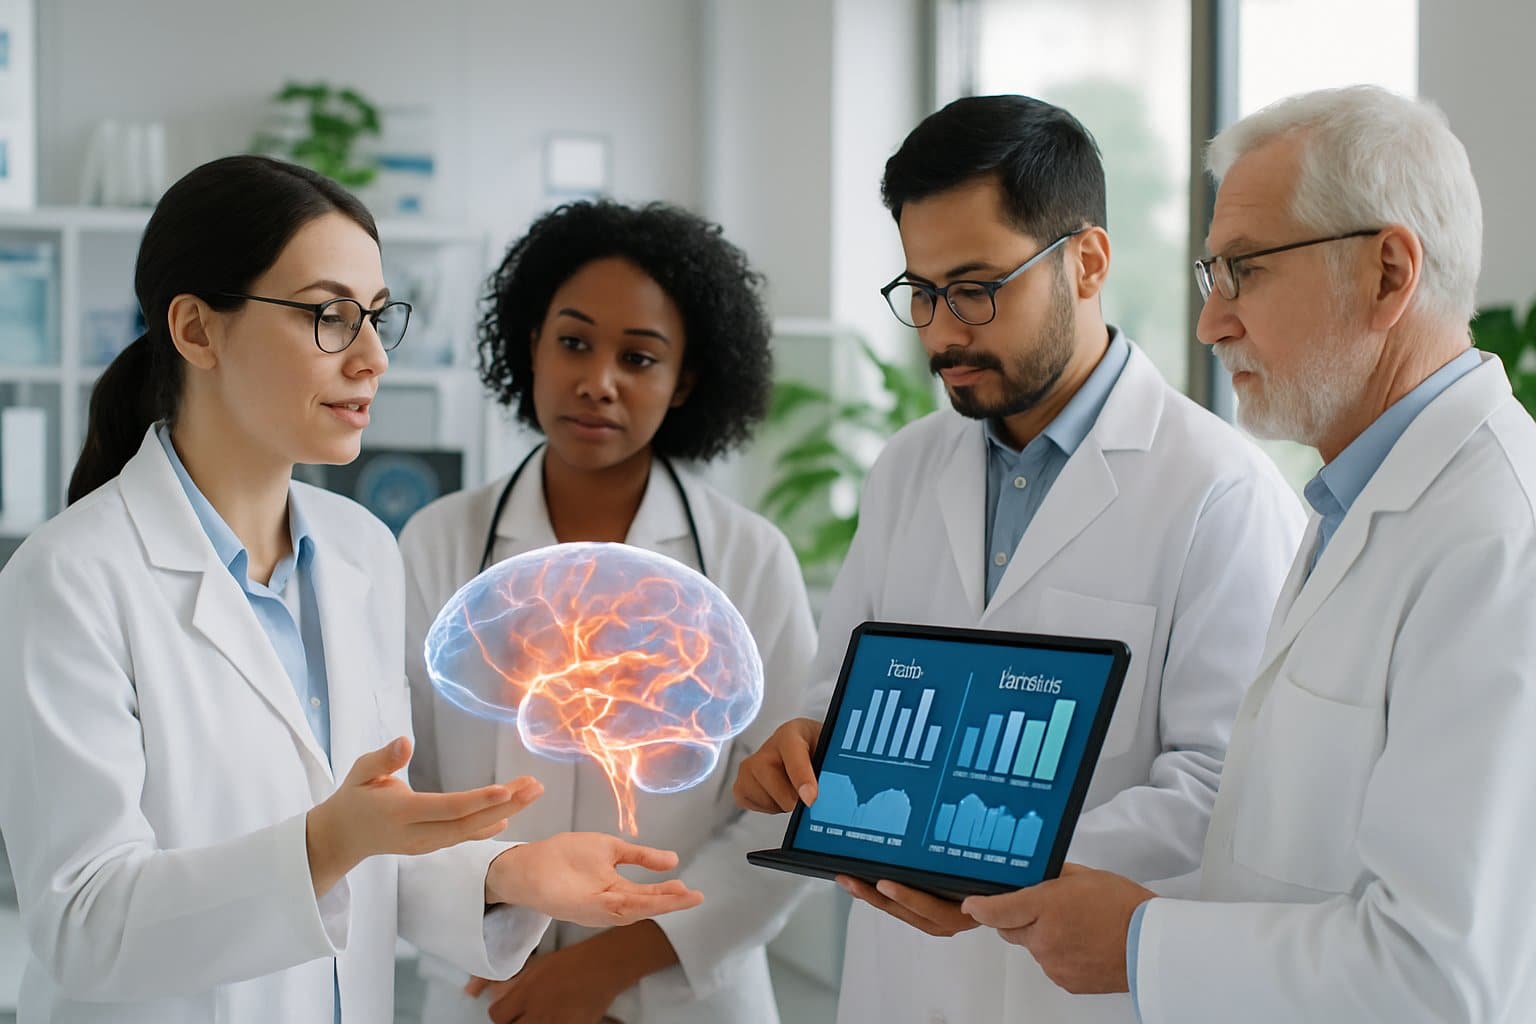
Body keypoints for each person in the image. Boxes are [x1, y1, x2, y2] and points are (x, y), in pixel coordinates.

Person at [0, 156, 703, 1024]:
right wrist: (326, 842)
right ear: (197, 330)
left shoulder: (360, 551)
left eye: (376, 317)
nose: (371, 359)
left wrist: (507, 874)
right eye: (329, 317)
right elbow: (82, 924)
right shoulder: (70, 579)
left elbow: (373, 849)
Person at [957, 84, 1536, 1023]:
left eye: (1245, 271)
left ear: (1389, 274)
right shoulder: (1356, 501)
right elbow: (1294, 868)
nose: (1210, 322)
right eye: (1209, 276)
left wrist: (1141, 944)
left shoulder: (1500, 541)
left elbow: (1441, 976)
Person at [732, 95, 1305, 1024]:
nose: (941, 333)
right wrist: (806, 740)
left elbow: (1223, 789)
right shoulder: (909, 468)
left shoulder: (1219, 492)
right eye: (921, 293)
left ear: (1088, 262)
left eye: (974, 289)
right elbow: (841, 689)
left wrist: (977, 862)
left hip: (1073, 995)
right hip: (898, 985)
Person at [399, 199, 817, 1024]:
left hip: (682, 992)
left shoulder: (748, 558)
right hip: (489, 985)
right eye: (574, 343)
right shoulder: (440, 542)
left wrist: (615, 962)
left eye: (639, 357)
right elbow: (403, 785)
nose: (599, 381)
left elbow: (789, 809)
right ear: (531, 345)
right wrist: (500, 931)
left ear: (684, 380)